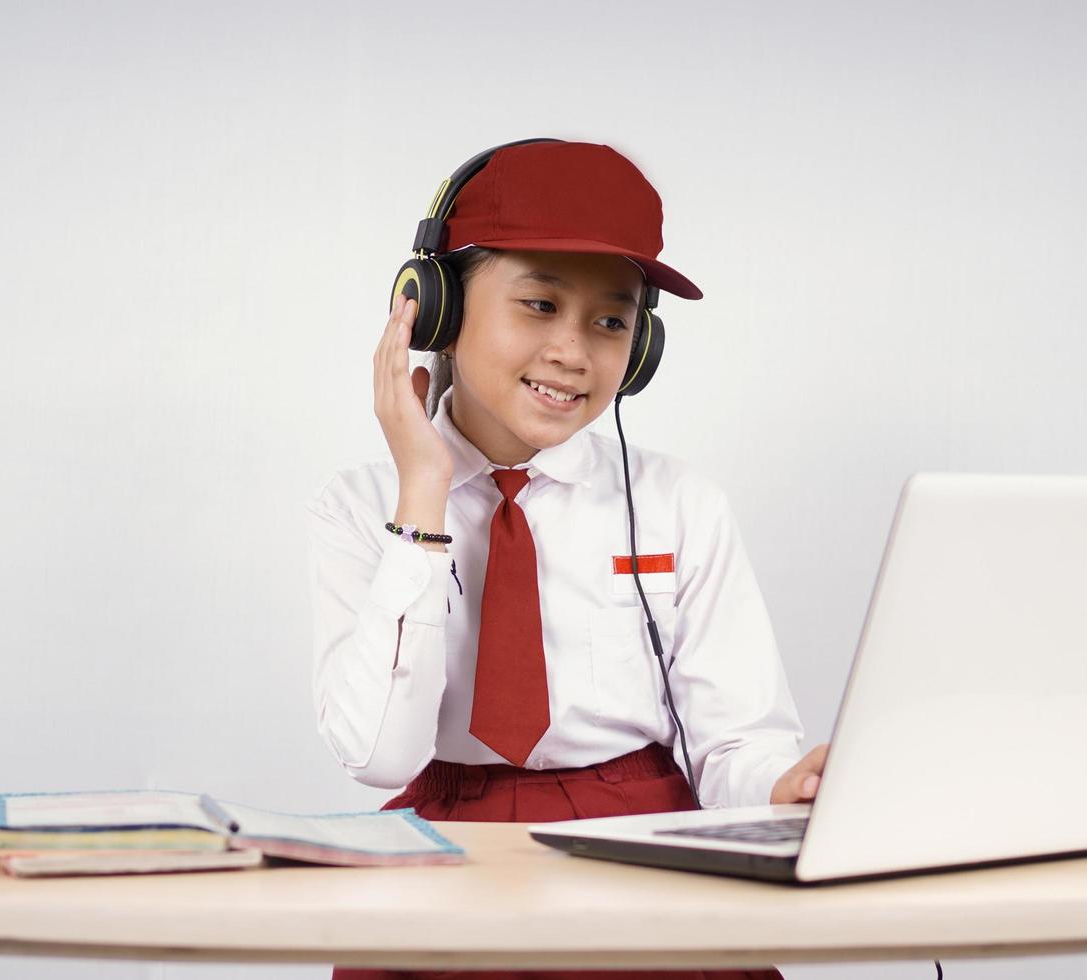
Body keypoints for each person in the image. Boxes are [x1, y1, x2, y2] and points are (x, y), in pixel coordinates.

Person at [308, 140, 831, 980]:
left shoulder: (677, 501)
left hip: (646, 837)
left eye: (612, 320)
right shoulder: (362, 505)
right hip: (448, 841)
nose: (575, 352)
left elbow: (735, 746)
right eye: (539, 305)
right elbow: (381, 756)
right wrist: (424, 495)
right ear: (434, 308)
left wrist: (785, 787)